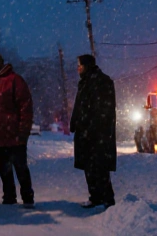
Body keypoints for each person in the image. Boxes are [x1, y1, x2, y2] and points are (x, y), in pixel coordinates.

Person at [0, 51, 35, 207]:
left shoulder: (14, 81)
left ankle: (27, 197)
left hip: (14, 135)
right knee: (4, 170)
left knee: (20, 168)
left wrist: (23, 131)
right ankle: (9, 196)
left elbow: (25, 107)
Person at [70, 54, 117, 208]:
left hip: (97, 132)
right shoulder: (85, 82)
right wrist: (75, 121)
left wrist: (94, 126)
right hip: (86, 131)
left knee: (99, 165)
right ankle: (95, 196)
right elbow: (80, 105)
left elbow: (103, 108)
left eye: (80, 65)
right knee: (89, 165)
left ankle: (107, 198)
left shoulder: (100, 81)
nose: (78, 68)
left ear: (87, 66)